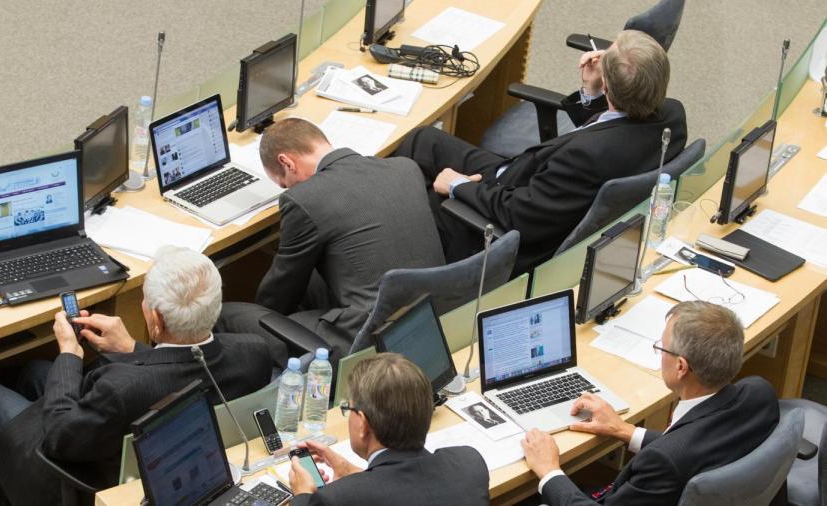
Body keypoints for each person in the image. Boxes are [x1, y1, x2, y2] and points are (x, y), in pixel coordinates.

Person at [0, 246, 273, 506]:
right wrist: (132, 348)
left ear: (156, 321)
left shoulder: (121, 389)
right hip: (167, 455)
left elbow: (59, 437)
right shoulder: (253, 353)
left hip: (80, 474)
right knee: (34, 372)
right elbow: (182, 370)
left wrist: (69, 354)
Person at [393, 30, 688, 275]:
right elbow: (613, 126)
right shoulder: (672, 117)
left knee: (410, 191)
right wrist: (592, 91)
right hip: (531, 181)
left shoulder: (583, 158)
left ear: (609, 85)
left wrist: (458, 185)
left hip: (505, 217)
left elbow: (519, 215)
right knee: (424, 140)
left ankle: (394, 246)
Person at [218, 119, 444, 361]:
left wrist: (261, 315)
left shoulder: (305, 199)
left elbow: (280, 291)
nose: (287, 188)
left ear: (287, 162)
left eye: (283, 183)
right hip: (434, 312)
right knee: (313, 277)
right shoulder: (404, 167)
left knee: (233, 315)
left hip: (369, 335)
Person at [520, 301, 779, 505]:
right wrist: (626, 431)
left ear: (681, 367)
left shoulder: (663, 463)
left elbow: (675, 456)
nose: (659, 353)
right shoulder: (760, 393)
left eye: (662, 348)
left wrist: (549, 470)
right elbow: (698, 445)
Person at [288, 353, 490, 505]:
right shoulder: (469, 464)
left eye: (349, 409)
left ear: (363, 424)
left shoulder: (336, 499)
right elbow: (405, 490)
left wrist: (302, 494)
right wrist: (354, 473)